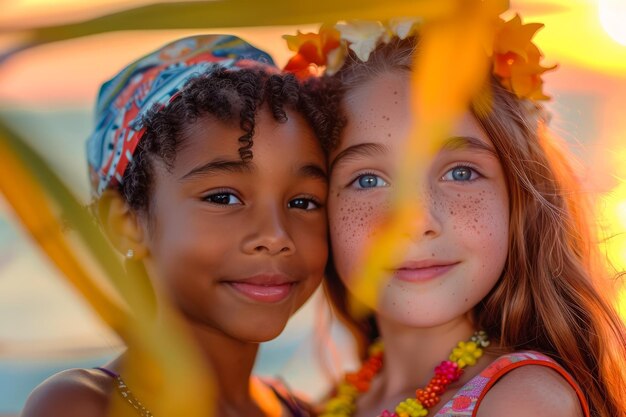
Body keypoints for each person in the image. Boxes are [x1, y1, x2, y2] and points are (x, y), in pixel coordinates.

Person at [286, 15, 626, 417]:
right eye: (367, 180)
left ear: (516, 198)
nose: (415, 221)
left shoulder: (521, 403)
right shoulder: (336, 403)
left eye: (460, 173)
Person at [21, 34, 332, 417]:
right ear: (125, 223)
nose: (275, 236)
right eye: (223, 198)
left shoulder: (302, 410)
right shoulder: (84, 406)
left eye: (303, 202)